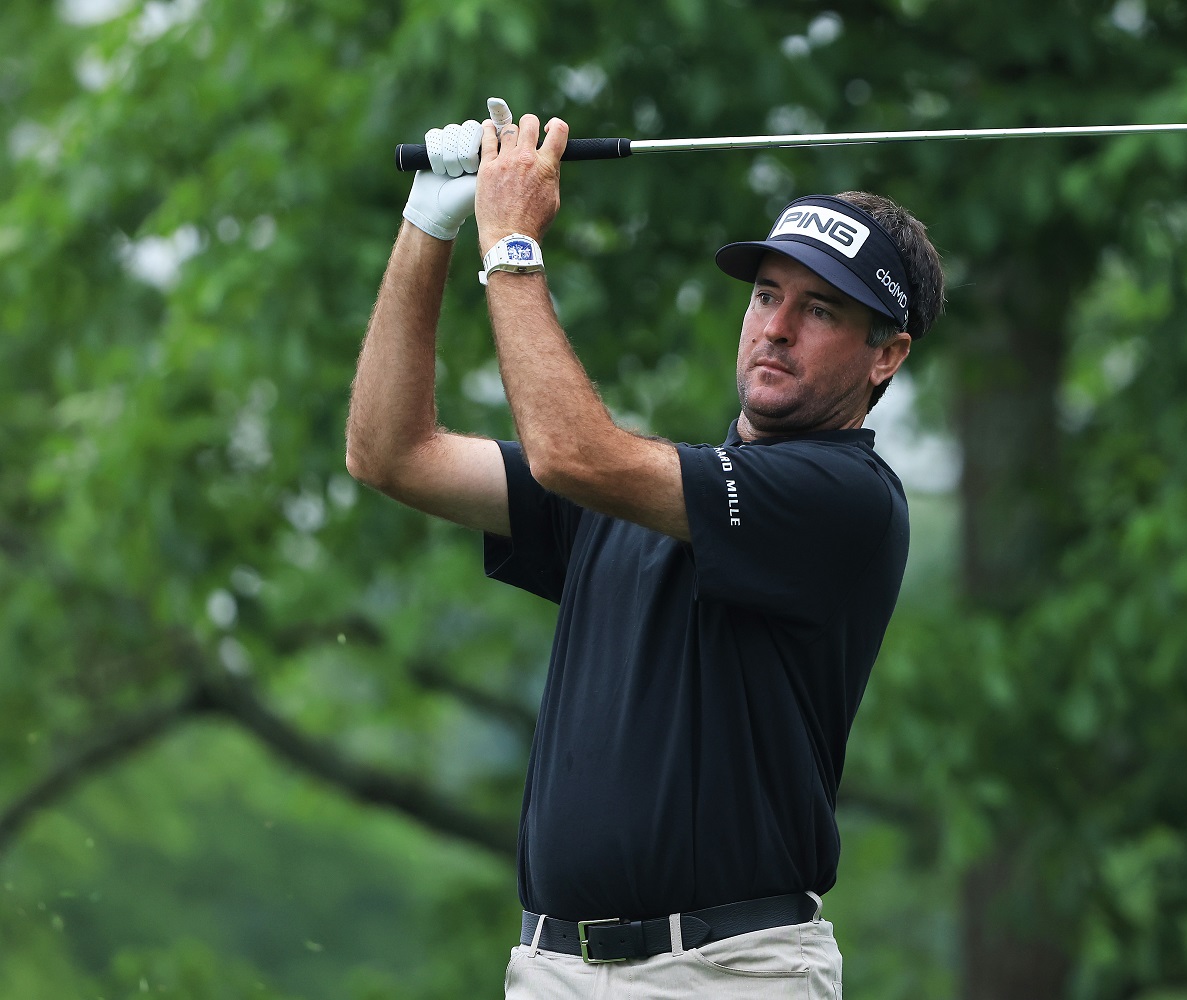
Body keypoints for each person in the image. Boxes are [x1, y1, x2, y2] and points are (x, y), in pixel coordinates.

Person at [345, 99, 944, 998]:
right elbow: (391, 452)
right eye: (767, 295)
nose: (775, 328)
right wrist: (429, 223)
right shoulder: (630, 493)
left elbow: (571, 452)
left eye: (819, 310)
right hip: (553, 970)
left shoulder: (849, 501)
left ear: (886, 355)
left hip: (729, 972)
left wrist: (509, 241)